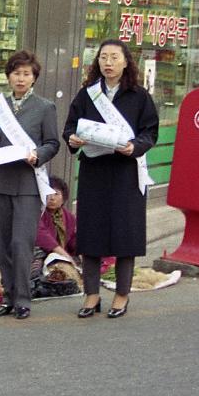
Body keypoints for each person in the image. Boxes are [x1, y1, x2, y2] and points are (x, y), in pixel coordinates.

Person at [64, 39, 160, 319]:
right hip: (94, 169)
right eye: (103, 57)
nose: (108, 63)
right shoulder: (87, 94)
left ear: (126, 62)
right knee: (91, 231)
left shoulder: (139, 96)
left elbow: (150, 132)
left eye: (114, 57)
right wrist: (72, 138)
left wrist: (135, 147)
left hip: (125, 172)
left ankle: (121, 295)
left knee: (124, 233)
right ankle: (91, 294)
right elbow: (70, 126)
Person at [0, 50, 60, 321]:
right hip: (2, 181)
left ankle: (23, 299)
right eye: (16, 73)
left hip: (28, 183)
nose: (21, 78)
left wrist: (37, 155)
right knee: (3, 242)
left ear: (34, 77)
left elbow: (52, 143)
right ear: (8, 76)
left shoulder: (44, 107)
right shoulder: (0, 105)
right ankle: (7, 296)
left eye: (26, 74)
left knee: (21, 243)